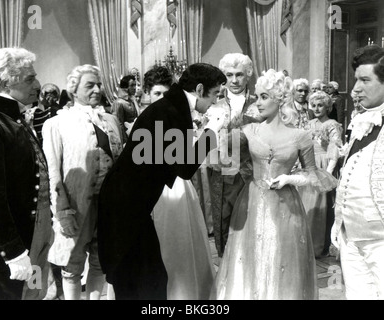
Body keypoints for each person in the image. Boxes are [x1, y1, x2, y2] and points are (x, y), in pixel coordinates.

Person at [97, 63, 227, 300]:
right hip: (124, 208)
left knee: (149, 279)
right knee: (141, 281)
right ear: (200, 89)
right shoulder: (172, 111)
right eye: (215, 94)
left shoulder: (172, 106)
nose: (215, 102)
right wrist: (212, 131)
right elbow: (186, 169)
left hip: (131, 205)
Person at [212, 69, 337, 300]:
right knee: (250, 257)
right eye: (257, 96)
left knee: (281, 257)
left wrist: (289, 179)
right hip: (251, 203)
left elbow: (312, 175)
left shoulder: (301, 135)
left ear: (279, 99)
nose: (257, 103)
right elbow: (221, 155)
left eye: (263, 97)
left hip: (286, 206)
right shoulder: (249, 130)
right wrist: (217, 127)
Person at [42, 64, 123, 300]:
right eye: (90, 85)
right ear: (74, 90)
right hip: (76, 205)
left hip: (108, 205)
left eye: (98, 85)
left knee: (101, 259)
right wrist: (62, 210)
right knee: (72, 265)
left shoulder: (111, 121)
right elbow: (53, 171)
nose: (97, 89)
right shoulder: (56, 123)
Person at [141, 65, 215, 299]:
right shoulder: (145, 120)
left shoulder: (178, 117)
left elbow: (184, 165)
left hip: (177, 189)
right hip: (152, 191)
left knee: (180, 247)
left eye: (166, 93)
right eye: (156, 94)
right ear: (146, 94)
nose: (162, 99)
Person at [0, 47, 52, 300]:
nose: (37, 84)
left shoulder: (12, 118)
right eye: (29, 79)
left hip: (34, 231)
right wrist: (12, 252)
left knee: (34, 294)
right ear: (5, 82)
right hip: (12, 242)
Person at [331, 44, 384, 300]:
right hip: (351, 234)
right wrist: (339, 220)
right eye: (355, 80)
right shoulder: (361, 120)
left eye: (365, 80)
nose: (355, 89)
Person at [207, 53, 264, 257]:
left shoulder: (259, 103)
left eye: (239, 74)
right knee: (223, 220)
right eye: (229, 75)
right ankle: (225, 266)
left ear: (248, 75)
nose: (234, 80)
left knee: (250, 221)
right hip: (220, 171)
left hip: (251, 172)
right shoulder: (214, 103)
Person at [297, 91, 343, 258]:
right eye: (314, 105)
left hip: (324, 164)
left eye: (320, 105)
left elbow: (335, 147)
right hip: (309, 163)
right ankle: (306, 242)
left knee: (322, 204)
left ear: (328, 107)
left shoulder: (332, 124)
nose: (316, 108)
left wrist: (328, 172)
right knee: (307, 204)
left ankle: (320, 244)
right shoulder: (309, 124)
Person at [111, 74, 140, 140]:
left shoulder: (132, 101)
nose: (135, 88)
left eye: (135, 85)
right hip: (126, 138)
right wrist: (124, 142)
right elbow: (118, 125)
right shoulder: (118, 103)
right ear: (125, 88)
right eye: (132, 85)